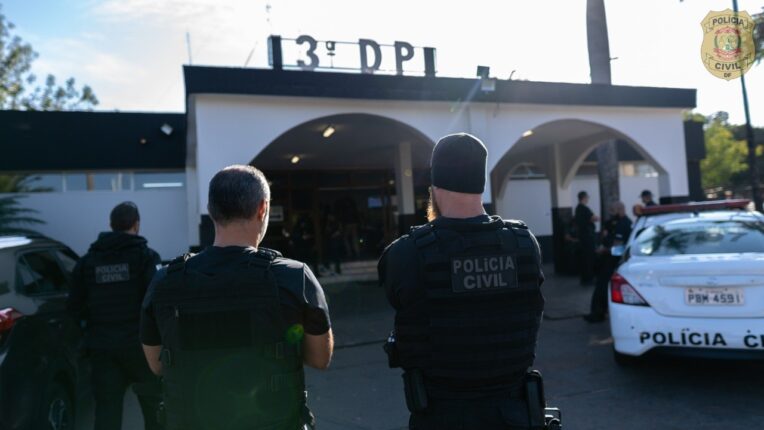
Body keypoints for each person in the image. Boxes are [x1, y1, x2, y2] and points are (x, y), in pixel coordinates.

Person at [140, 165, 333, 430]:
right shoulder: (293, 276)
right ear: (263, 208)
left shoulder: (165, 281)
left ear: (211, 211)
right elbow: (320, 358)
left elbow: (157, 365)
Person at [379, 134, 546, 430]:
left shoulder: (405, 254)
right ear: (481, 184)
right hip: (514, 415)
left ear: (434, 187)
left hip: (441, 416)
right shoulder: (525, 244)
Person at [67, 201, 163, 430]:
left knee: (107, 414)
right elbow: (157, 302)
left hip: (102, 349)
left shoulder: (87, 262)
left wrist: (89, 332)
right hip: (141, 349)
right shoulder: (146, 258)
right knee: (155, 411)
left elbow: (73, 306)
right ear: (136, 225)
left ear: (111, 225)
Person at [584, 201, 632, 323]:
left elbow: (619, 248)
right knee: (602, 287)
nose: (611, 213)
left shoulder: (623, 224)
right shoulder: (615, 223)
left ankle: (598, 313)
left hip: (613, 262)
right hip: (609, 261)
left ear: (620, 210)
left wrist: (604, 250)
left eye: (612, 210)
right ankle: (601, 312)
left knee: (602, 287)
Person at [574, 191, 599, 285]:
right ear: (584, 198)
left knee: (584, 258)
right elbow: (593, 218)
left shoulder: (577, 209)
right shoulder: (584, 208)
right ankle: (589, 278)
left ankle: (585, 278)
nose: (588, 199)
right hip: (588, 237)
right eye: (587, 197)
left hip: (582, 236)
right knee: (589, 258)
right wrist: (596, 218)